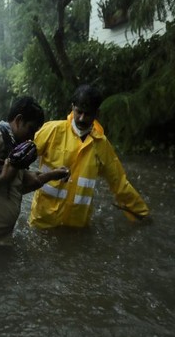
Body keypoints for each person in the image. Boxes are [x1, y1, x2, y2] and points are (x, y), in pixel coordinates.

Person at [0, 96, 69, 253]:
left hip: (1, 237)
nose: (32, 137)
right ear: (19, 119)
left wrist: (52, 175)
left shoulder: (14, 147)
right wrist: (2, 179)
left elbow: (24, 183)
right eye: (31, 129)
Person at [29, 84, 150, 229]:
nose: (81, 118)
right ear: (72, 107)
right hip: (43, 222)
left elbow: (119, 184)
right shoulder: (53, 130)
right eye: (79, 111)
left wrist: (142, 214)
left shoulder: (101, 145)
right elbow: (21, 158)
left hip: (77, 227)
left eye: (88, 114)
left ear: (97, 113)